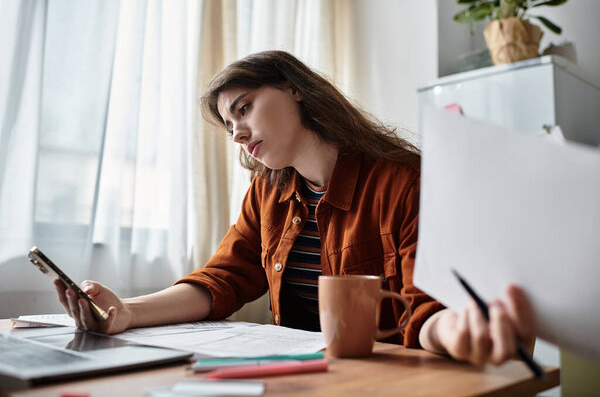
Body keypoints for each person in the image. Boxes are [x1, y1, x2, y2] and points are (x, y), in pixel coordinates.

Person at [54, 50, 535, 366]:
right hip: (305, 379)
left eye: (243, 108)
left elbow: (425, 310)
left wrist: (461, 332)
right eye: (228, 125)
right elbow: (222, 280)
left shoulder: (404, 179)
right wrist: (124, 313)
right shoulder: (268, 192)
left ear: (295, 89)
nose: (238, 134)